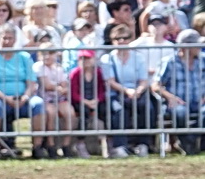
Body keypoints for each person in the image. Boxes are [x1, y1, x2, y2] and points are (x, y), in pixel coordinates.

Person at [0, 24, 42, 158]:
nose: (7, 41)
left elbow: (31, 82)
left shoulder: (24, 57)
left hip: (22, 98)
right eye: (4, 38)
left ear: (15, 39)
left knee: (38, 104)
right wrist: (6, 98)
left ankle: (37, 147)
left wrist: (25, 97)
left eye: (10, 38)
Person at [99, 23, 155, 156]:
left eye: (125, 38)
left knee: (148, 108)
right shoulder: (107, 59)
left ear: (130, 39)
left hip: (137, 91)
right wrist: (127, 91)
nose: (121, 41)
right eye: (118, 39)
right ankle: (120, 146)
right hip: (116, 92)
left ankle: (143, 144)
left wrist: (138, 91)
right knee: (119, 111)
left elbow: (144, 80)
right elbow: (110, 81)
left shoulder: (139, 57)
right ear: (112, 41)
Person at [156, 28, 205, 153]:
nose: (200, 47)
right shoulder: (169, 62)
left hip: (200, 101)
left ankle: (194, 142)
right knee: (180, 112)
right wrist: (171, 97)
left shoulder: (203, 60)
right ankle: (187, 144)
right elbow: (156, 85)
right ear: (185, 46)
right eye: (196, 44)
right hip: (177, 102)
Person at [32, 47, 73, 159]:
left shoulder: (59, 68)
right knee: (51, 114)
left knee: (70, 113)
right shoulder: (38, 66)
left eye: (50, 53)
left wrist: (62, 89)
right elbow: (47, 85)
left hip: (59, 99)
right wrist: (60, 88)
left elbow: (65, 85)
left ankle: (66, 146)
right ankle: (51, 146)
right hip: (44, 99)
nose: (47, 56)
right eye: (44, 53)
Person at [70, 50, 106, 157]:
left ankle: (108, 142)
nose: (85, 61)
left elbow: (101, 90)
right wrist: (86, 102)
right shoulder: (75, 73)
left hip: (95, 101)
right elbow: (74, 93)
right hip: (80, 102)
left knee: (106, 111)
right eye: (82, 58)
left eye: (87, 58)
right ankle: (80, 143)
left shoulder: (98, 73)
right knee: (84, 113)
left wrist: (97, 100)